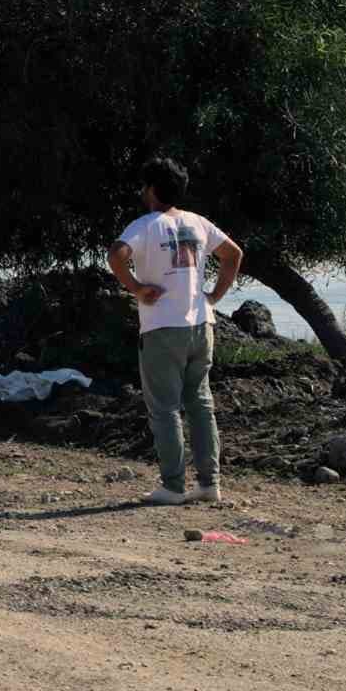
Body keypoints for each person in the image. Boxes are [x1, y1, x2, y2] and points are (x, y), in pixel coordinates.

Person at [107, 157, 243, 506]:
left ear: (151, 189)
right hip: (201, 324)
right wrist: (213, 296)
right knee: (200, 404)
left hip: (162, 327)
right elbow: (233, 255)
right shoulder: (197, 222)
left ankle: (172, 485)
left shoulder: (145, 225)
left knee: (165, 408)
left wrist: (136, 288)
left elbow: (116, 255)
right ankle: (209, 483)